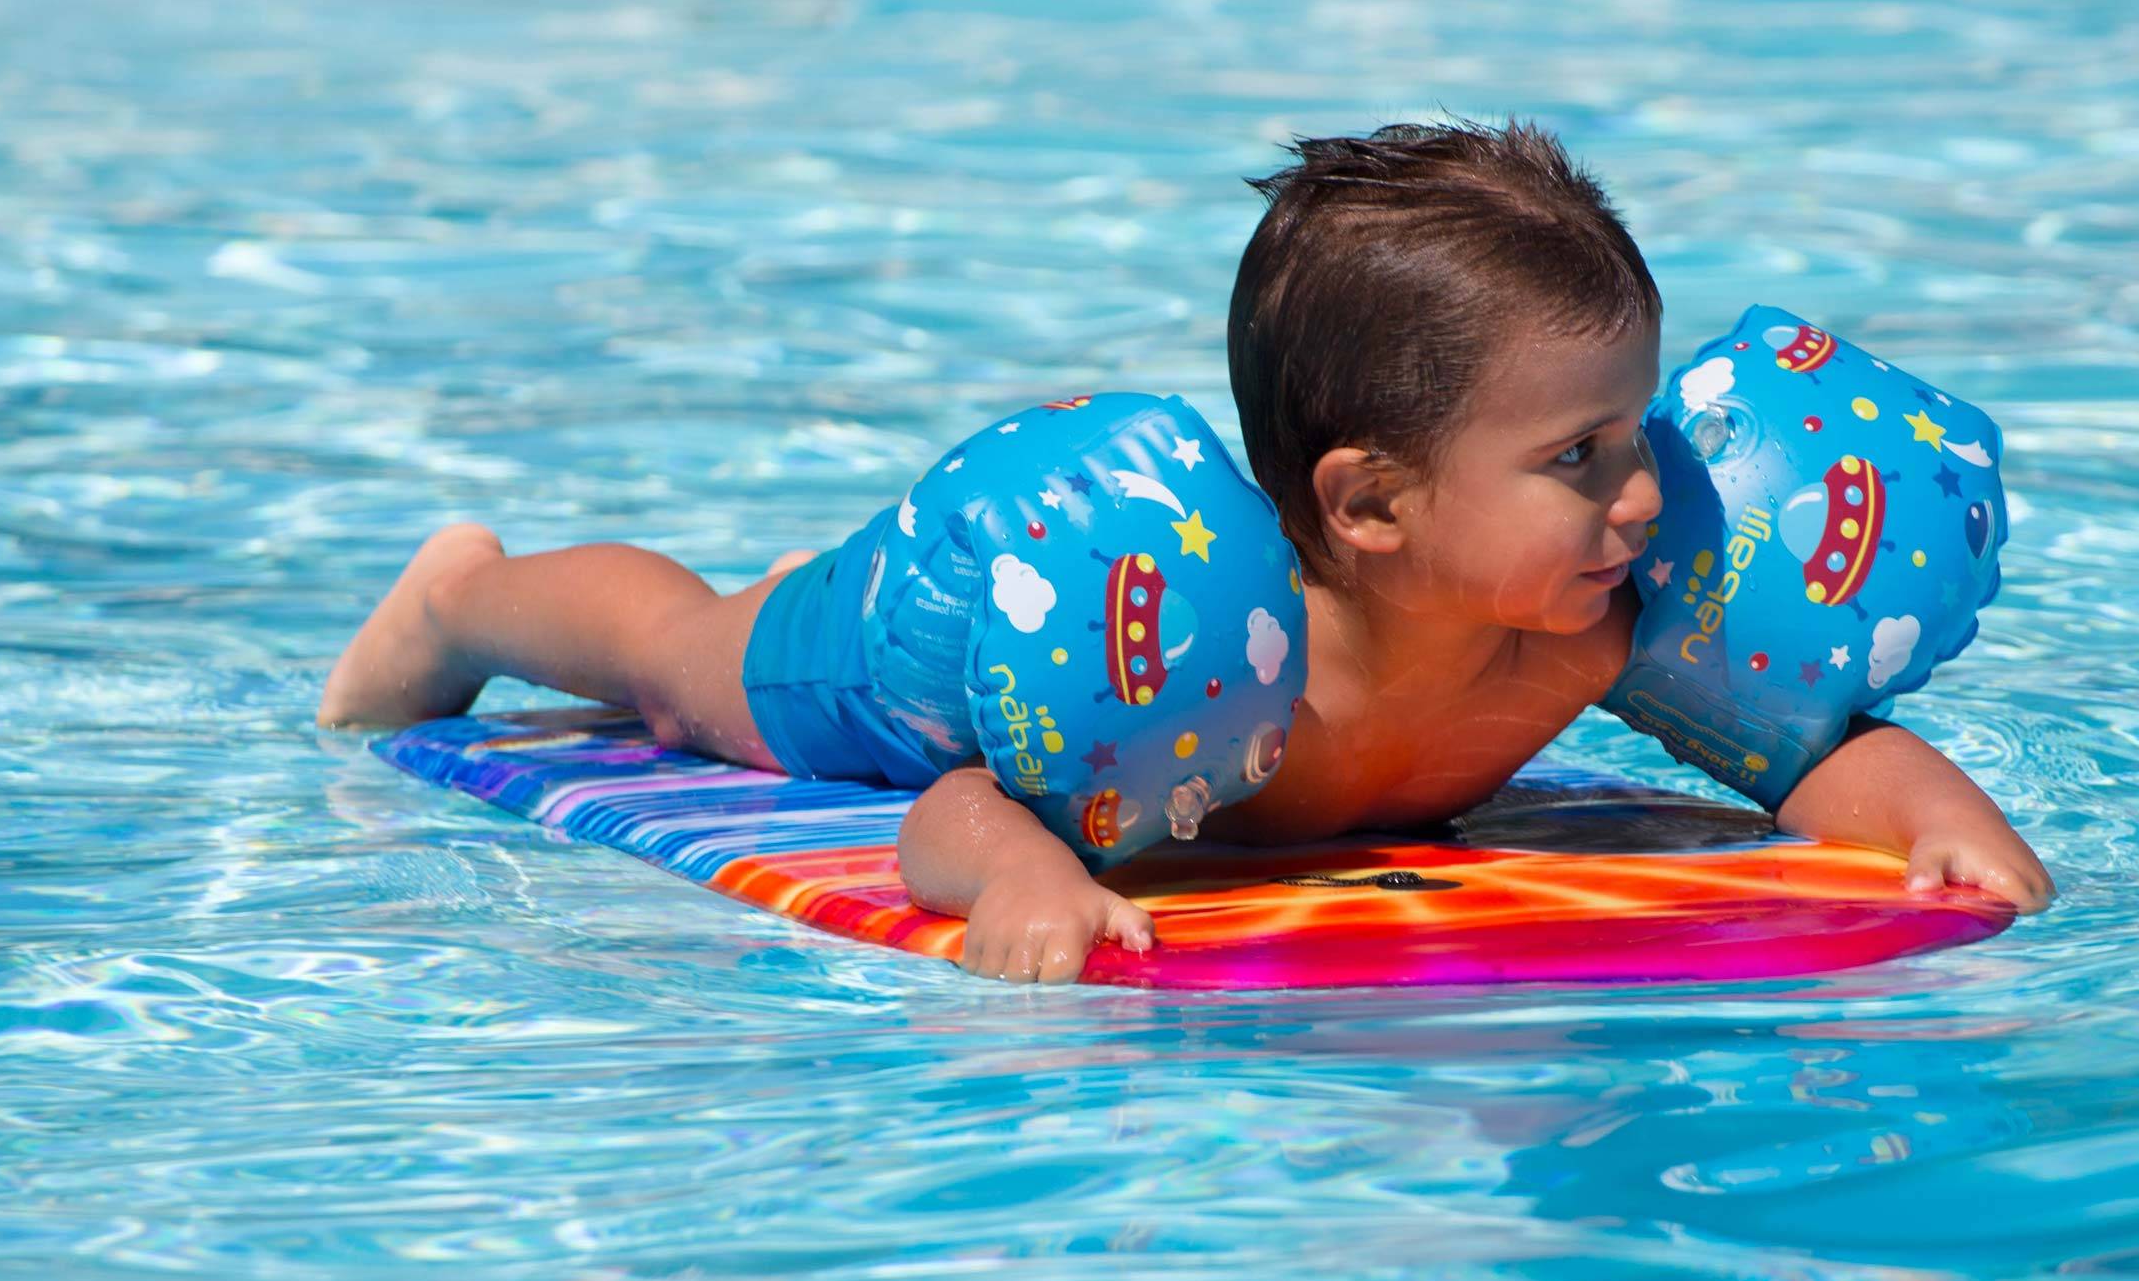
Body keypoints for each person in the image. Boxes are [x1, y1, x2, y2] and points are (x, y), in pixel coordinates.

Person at [321, 120, 2051, 982]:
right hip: (956, 664)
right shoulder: (1217, 672)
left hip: (1095, 673)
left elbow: (1817, 766)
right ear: (1370, 506)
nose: (1647, 496)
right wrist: (1018, 882)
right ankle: (465, 589)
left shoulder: (1589, 630)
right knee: (694, 666)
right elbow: (958, 809)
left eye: (1638, 430)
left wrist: (1948, 840)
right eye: (1578, 458)